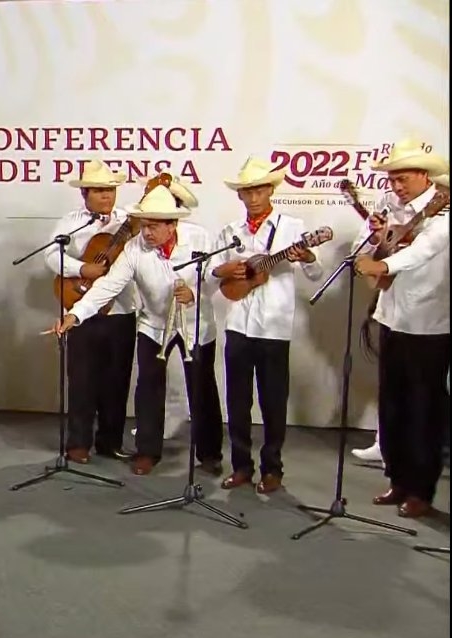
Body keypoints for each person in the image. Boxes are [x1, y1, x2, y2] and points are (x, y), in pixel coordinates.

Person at [54, 178, 224, 476]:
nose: (146, 232)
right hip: (154, 325)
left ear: (172, 225)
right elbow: (108, 285)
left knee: (201, 388)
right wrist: (75, 314)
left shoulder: (200, 238)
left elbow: (215, 274)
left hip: (195, 325)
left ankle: (210, 453)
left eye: (154, 226)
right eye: (144, 225)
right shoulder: (134, 248)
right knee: (148, 388)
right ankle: (147, 451)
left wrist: (195, 293)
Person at [209, 156, 324, 494]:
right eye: (247, 191)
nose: (254, 196)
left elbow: (315, 274)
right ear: (240, 196)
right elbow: (215, 271)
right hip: (238, 324)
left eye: (259, 189)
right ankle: (241, 466)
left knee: (273, 401)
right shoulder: (232, 231)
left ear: (271, 189)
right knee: (237, 399)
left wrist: (309, 257)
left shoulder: (291, 227)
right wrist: (230, 269)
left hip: (274, 327)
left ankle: (273, 468)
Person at [352, 139, 450, 518]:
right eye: (393, 179)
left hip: (428, 324)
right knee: (392, 403)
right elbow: (384, 247)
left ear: (425, 176)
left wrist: (383, 266)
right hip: (392, 316)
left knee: (424, 409)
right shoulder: (393, 210)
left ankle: (422, 490)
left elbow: (424, 250)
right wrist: (378, 240)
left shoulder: (443, 211)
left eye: (403, 178)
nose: (396, 186)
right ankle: (398, 478)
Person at [44, 160, 137, 463]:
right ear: (84, 193)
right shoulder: (71, 222)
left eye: (110, 190)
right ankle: (78, 443)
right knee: (82, 379)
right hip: (81, 307)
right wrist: (82, 267)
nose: (106, 196)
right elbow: (50, 256)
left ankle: (110, 441)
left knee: (117, 379)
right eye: (98, 190)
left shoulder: (129, 221)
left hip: (121, 310)